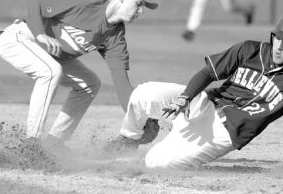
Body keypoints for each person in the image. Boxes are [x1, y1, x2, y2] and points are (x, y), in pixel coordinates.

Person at [0, 0, 158, 152]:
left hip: (50, 54)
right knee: (51, 71)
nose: (141, 11)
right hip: (20, 38)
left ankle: (54, 144)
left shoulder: (115, 37)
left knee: (90, 84)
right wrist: (40, 34)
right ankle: (32, 142)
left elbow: (122, 85)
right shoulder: (84, 2)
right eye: (139, 3)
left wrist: (139, 119)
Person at [105, 16, 283, 168]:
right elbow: (208, 73)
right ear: (273, 37)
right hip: (203, 103)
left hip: (222, 133)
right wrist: (185, 97)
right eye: (278, 38)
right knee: (143, 94)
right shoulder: (250, 50)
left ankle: (176, 133)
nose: (280, 46)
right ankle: (129, 140)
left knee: (155, 162)